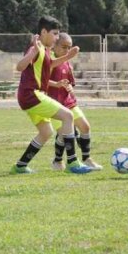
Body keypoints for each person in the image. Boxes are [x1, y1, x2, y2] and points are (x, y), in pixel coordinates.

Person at [12, 16, 93, 175]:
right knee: (68, 116)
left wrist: (67, 57)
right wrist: (33, 51)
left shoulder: (44, 49)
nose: (57, 38)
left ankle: (20, 165)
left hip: (29, 96)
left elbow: (49, 66)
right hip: (32, 95)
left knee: (46, 132)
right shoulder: (36, 46)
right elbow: (20, 66)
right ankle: (72, 162)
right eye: (55, 34)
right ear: (43, 32)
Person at [47, 33, 103, 171]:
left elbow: (70, 82)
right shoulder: (49, 59)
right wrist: (56, 84)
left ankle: (87, 159)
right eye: (64, 47)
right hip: (54, 103)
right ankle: (58, 161)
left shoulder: (67, 63)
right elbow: (42, 80)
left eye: (69, 47)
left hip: (69, 101)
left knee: (85, 127)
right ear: (54, 45)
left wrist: (69, 87)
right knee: (64, 133)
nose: (67, 50)